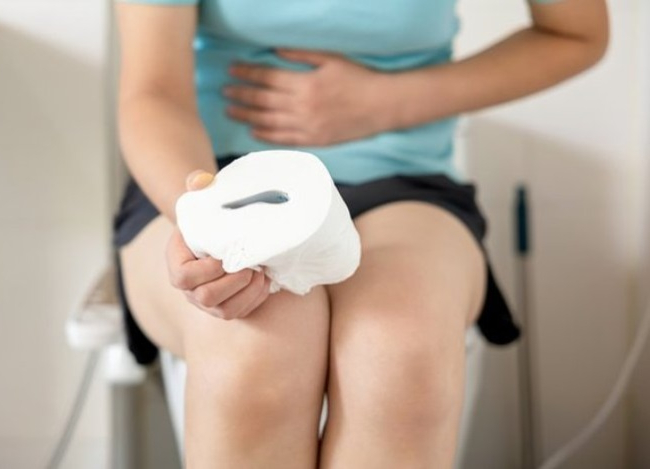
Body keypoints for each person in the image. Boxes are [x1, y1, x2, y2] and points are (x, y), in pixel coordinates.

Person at [112, 0, 608, 467]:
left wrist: (388, 102)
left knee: (399, 354)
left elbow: (576, 33)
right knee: (257, 348)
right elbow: (153, 91)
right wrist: (204, 219)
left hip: (402, 184)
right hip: (215, 181)